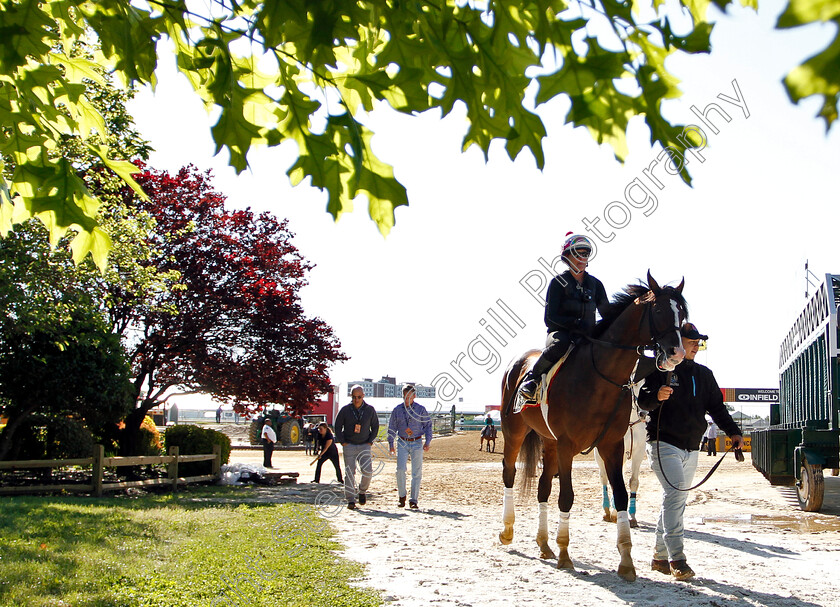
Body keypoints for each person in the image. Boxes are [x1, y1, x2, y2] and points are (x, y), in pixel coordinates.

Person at [638, 322, 743, 581]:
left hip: (692, 448)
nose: (697, 345)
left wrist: (734, 432)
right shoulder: (659, 369)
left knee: (675, 500)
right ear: (677, 342)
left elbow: (717, 408)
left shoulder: (704, 375)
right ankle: (678, 559)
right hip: (663, 443)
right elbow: (642, 400)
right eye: (692, 341)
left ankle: (659, 557)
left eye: (699, 342)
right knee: (675, 495)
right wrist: (657, 396)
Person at [519, 233, 609, 401]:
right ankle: (533, 379)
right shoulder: (557, 283)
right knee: (561, 345)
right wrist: (576, 324)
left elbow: (608, 315)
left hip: (588, 335)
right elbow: (550, 317)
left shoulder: (596, 285)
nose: (582, 257)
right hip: (561, 334)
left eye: (585, 253)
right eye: (577, 253)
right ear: (567, 257)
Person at [334, 385, 379, 509]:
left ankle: (362, 491)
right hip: (349, 445)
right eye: (354, 397)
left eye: (359, 397)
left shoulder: (370, 410)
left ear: (363, 396)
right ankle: (350, 500)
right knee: (349, 473)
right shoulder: (345, 410)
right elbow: (337, 426)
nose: (356, 400)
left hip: (364, 445)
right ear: (351, 396)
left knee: (368, 471)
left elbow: (375, 426)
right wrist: (342, 442)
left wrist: (370, 441)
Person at [388, 385, 432, 509]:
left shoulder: (421, 410)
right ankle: (402, 496)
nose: (406, 399)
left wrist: (428, 441)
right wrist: (391, 444)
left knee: (416, 472)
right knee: (400, 469)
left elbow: (428, 425)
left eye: (409, 396)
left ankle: (414, 499)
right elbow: (392, 427)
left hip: (417, 441)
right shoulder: (397, 410)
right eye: (404, 396)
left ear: (414, 396)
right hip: (402, 441)